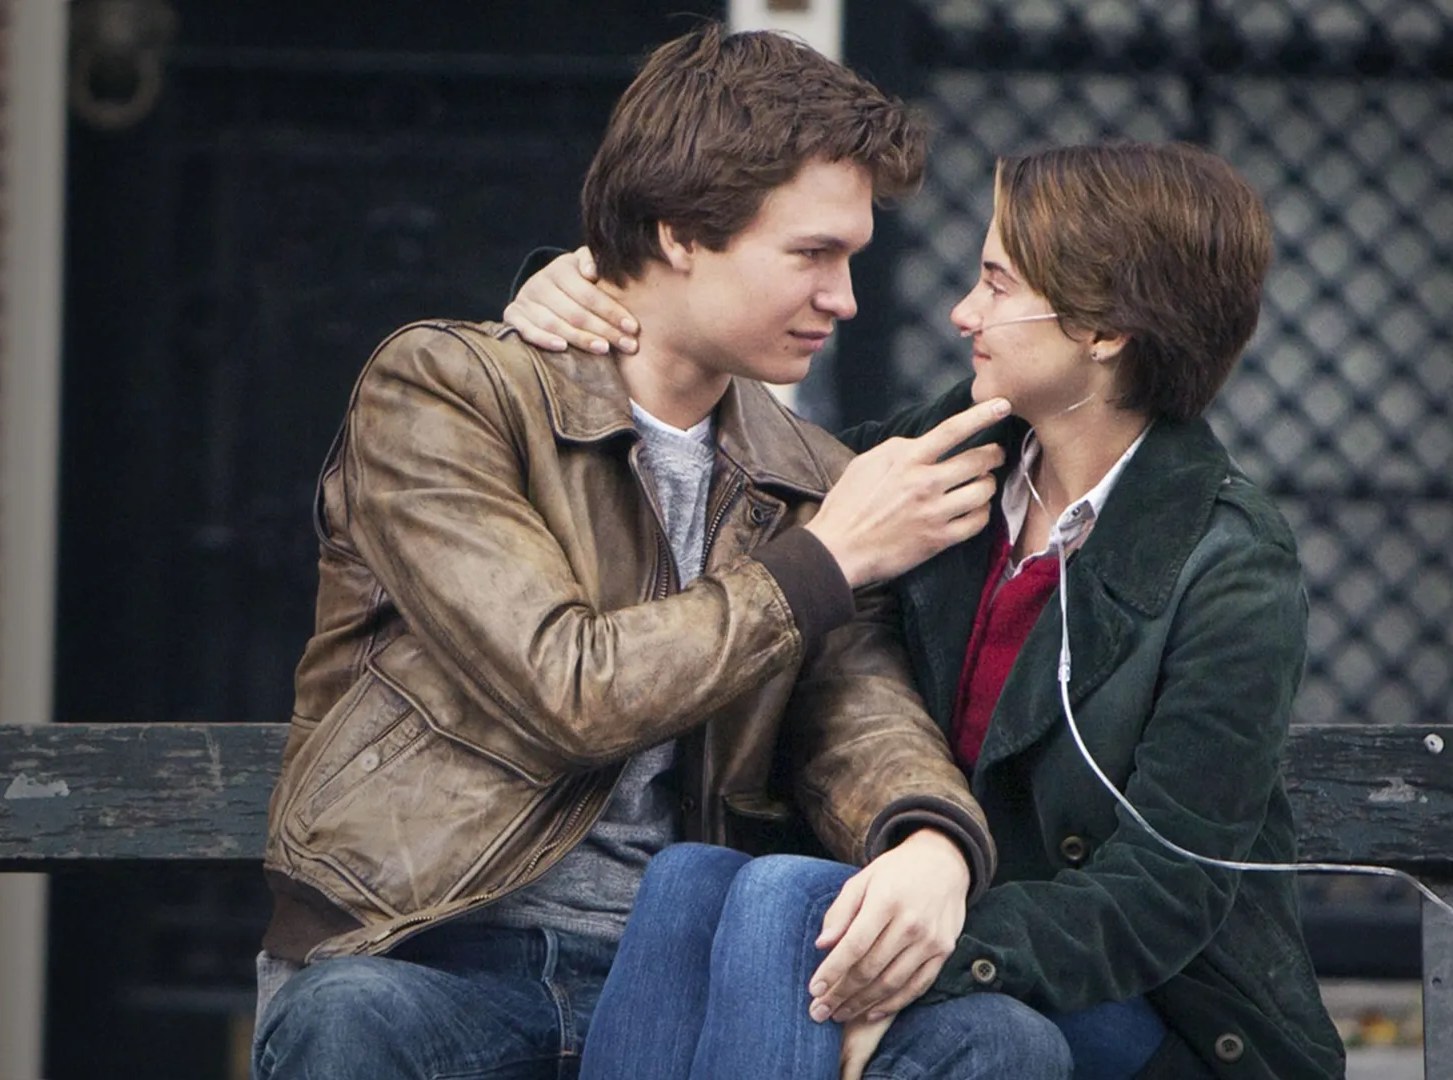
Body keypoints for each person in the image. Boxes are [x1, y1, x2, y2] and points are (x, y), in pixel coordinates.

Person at [252, 23, 1081, 1080]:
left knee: (1004, 1045)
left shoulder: (812, 477)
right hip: (435, 956)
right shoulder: (446, 394)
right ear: (681, 232)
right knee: (349, 1022)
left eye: (851, 257)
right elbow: (566, 686)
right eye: (812, 254)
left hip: (679, 969)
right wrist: (822, 560)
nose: (845, 298)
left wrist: (930, 842)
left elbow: (855, 718)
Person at [507, 140, 1348, 1079]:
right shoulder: (935, 468)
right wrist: (595, 296)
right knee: (692, 878)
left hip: (1147, 1011)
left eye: (995, 282)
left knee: (789, 901)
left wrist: (934, 949)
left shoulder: (1228, 564)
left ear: (1105, 327)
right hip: (937, 918)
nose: (962, 313)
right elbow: (737, 460)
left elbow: (1165, 896)